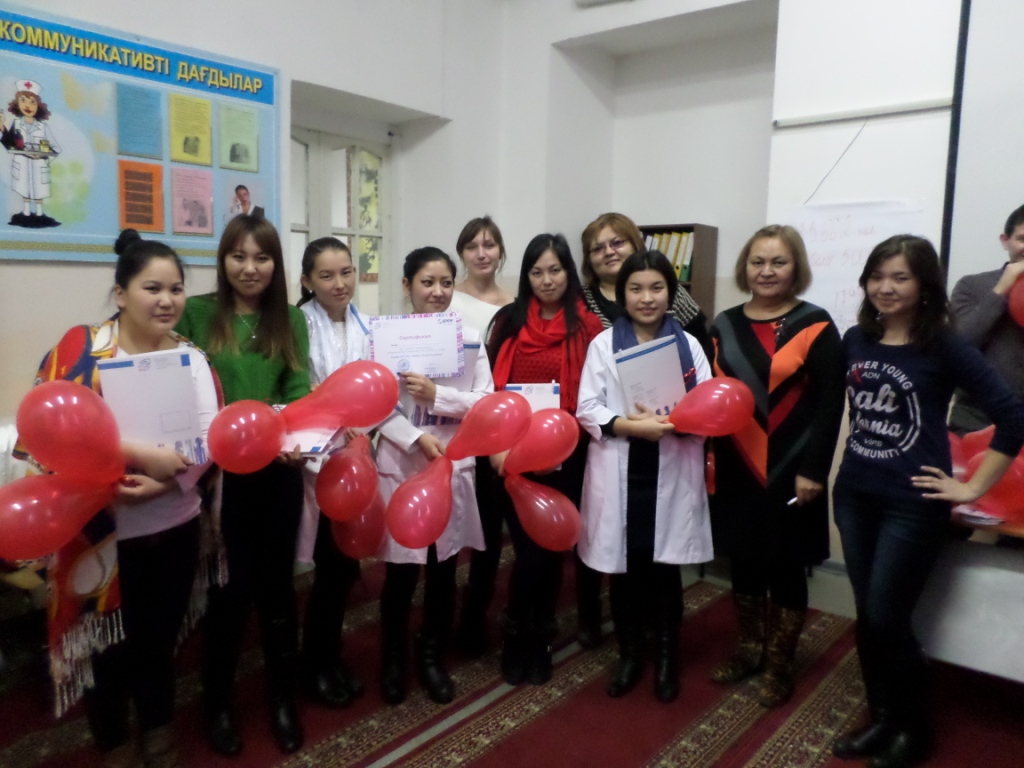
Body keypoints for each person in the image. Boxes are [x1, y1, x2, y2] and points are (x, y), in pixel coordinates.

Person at [13, 230, 220, 768]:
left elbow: (210, 437)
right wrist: (139, 454)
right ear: (121, 293)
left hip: (174, 522)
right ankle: (112, 740)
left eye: (176, 289)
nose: (167, 300)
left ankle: (157, 727)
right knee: (106, 646)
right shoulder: (82, 352)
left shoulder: (192, 357)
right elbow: (51, 432)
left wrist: (167, 482)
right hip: (101, 534)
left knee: (159, 641)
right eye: (153, 288)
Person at [830, 235, 1024, 768]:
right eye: (877, 276)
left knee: (888, 618)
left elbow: (1013, 417)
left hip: (911, 504)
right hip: (855, 496)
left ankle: (912, 729)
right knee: (868, 616)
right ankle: (882, 720)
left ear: (924, 285)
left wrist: (972, 488)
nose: (885, 287)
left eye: (900, 277)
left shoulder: (944, 345)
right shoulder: (857, 339)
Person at [176, 214, 311, 756]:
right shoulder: (197, 313)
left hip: (277, 473)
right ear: (223, 259)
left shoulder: (289, 320)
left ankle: (283, 700)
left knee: (278, 591)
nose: (250, 268)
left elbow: (297, 391)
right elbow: (184, 391)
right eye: (239, 256)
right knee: (228, 597)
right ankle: (217, 705)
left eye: (262, 257)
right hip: (219, 480)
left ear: (276, 264)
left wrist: (298, 436)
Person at [707, 225, 845, 708]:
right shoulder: (723, 324)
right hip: (736, 465)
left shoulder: (816, 324)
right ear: (745, 267)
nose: (766, 271)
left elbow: (830, 405)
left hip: (793, 469)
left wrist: (815, 470)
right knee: (743, 560)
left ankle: (781, 664)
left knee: (786, 566)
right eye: (757, 261)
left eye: (778, 262)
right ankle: (750, 649)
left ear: (796, 268)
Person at [577, 250, 713, 703]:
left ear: (671, 293)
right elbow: (588, 407)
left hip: (670, 463)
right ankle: (630, 655)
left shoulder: (689, 346)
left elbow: (707, 407)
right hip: (622, 463)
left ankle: (668, 659)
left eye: (657, 287)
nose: (646, 297)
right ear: (622, 295)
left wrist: (677, 422)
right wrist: (630, 426)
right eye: (636, 288)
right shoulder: (603, 345)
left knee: (664, 572)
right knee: (624, 570)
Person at [376, 247, 494, 705]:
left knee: (443, 570)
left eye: (446, 282)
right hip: (404, 463)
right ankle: (392, 659)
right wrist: (415, 438)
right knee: (401, 573)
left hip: (451, 464)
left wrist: (437, 396)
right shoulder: (385, 339)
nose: (438, 292)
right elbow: (375, 406)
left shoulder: (470, 339)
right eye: (427, 282)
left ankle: (431, 656)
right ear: (407, 285)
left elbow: (485, 401)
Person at [488, 233, 604, 685]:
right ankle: (517, 633)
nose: (547, 280)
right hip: (514, 456)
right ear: (526, 276)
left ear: (569, 273)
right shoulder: (509, 322)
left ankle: (539, 638)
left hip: (568, 458)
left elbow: (596, 394)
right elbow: (490, 390)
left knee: (552, 551)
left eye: (555, 270)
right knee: (528, 553)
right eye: (537, 272)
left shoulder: (589, 328)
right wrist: (499, 447)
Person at [295, 237, 370, 708]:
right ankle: (314, 665)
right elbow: (303, 390)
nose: (339, 283)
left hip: (357, 458)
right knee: (329, 564)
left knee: (345, 566)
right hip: (315, 461)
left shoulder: (366, 324)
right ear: (307, 280)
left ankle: (330, 655)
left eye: (346, 272)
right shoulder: (299, 325)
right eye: (326, 275)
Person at [448, 216, 515, 657]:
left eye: (489, 245)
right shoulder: (447, 299)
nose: (482, 253)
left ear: (501, 252)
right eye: (472, 246)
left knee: (488, 528)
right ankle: (441, 613)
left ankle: (474, 617)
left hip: (496, 428)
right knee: (448, 523)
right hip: (449, 422)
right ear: (462, 254)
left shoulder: (516, 306)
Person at [948, 203, 1024, 434]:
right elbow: (958, 345)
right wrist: (1001, 290)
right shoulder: (971, 285)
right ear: (1005, 241)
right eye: (1022, 239)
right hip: (976, 422)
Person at [3, 79, 61, 228]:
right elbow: (10, 143)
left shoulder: (42, 127)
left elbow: (56, 148)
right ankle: (26, 212)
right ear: (17, 104)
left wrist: (43, 155)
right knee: (25, 188)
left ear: (38, 106)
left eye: (32, 102)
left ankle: (40, 214)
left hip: (39, 164)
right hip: (22, 164)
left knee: (39, 190)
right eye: (23, 100)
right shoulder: (17, 124)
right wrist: (2, 128)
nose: (28, 106)